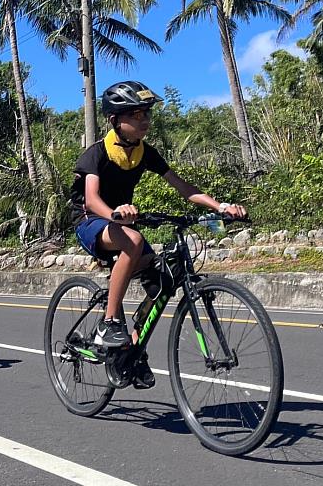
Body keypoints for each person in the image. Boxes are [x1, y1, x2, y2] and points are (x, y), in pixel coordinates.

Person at [70, 81, 247, 387]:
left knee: (163, 279)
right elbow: (91, 199)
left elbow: (183, 187)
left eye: (146, 114)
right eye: (136, 115)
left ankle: (130, 351)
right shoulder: (96, 154)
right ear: (115, 120)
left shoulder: (145, 153)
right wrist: (114, 213)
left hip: (121, 223)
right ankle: (109, 322)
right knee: (134, 241)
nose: (144, 120)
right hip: (91, 221)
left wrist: (221, 206)